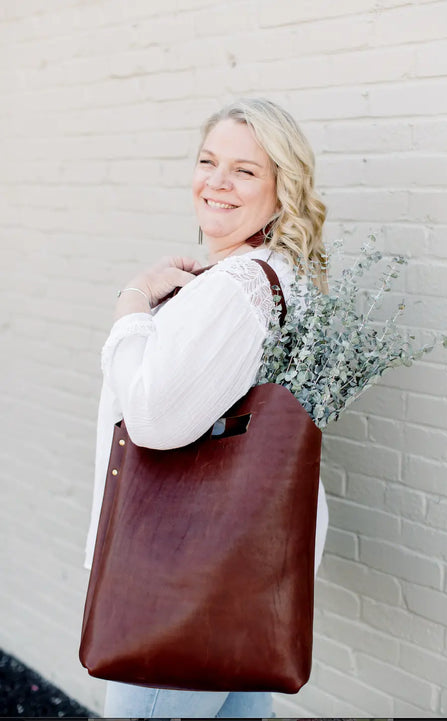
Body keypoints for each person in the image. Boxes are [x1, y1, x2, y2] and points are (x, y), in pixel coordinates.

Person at [84, 97, 330, 719]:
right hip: (242, 570)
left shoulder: (238, 287)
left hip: (181, 581)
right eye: (208, 160)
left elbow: (153, 419)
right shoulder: (276, 274)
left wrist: (134, 302)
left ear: (283, 186)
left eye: (245, 170)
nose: (217, 182)